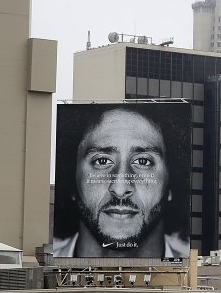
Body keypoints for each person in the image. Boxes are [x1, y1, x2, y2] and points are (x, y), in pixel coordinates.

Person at [53, 106, 189, 258]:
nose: (120, 189)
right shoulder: (47, 270)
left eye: (143, 161)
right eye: (102, 161)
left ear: (171, 180)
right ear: (72, 177)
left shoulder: (194, 273)